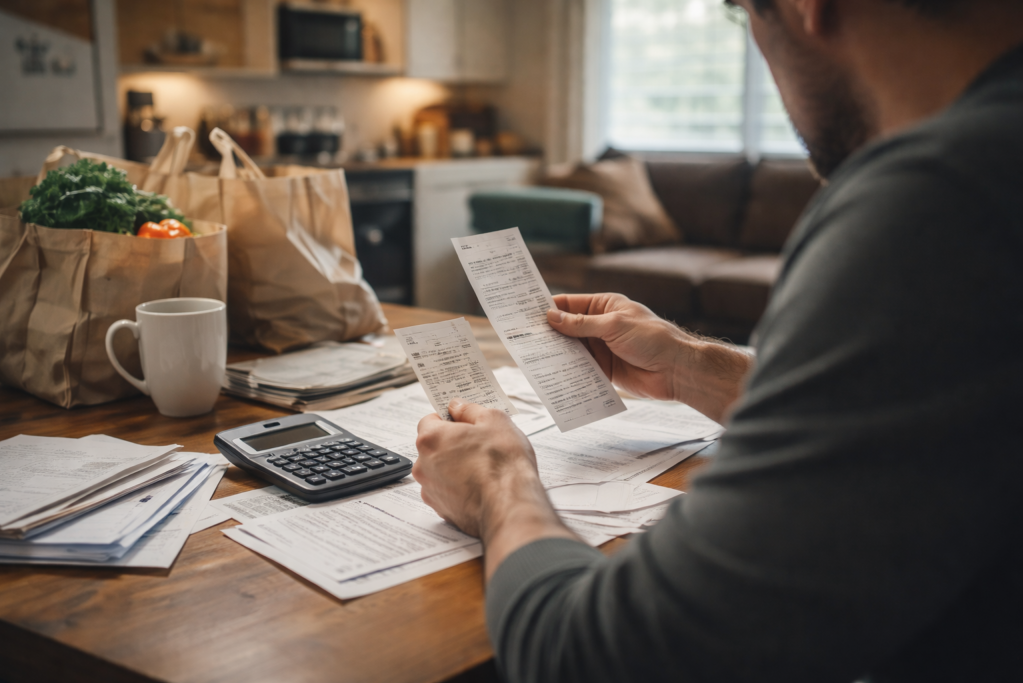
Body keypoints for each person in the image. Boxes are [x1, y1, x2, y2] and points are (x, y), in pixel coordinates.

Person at [413, 0, 1023, 680]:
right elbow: (941, 399)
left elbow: (607, 658)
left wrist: (499, 480)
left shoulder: (940, 198)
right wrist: (692, 365)